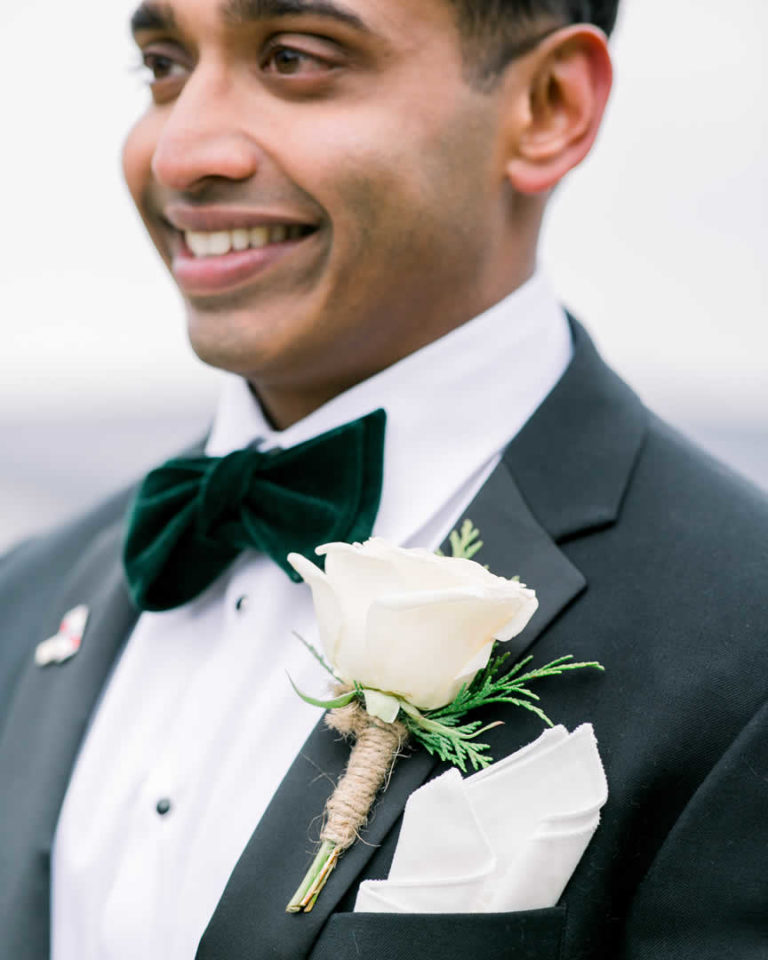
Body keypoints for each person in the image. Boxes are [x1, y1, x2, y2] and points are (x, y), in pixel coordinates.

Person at [0, 0, 765, 957]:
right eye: (163, 64)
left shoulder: (745, 638)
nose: (180, 150)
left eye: (294, 57)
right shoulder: (23, 598)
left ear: (547, 104)